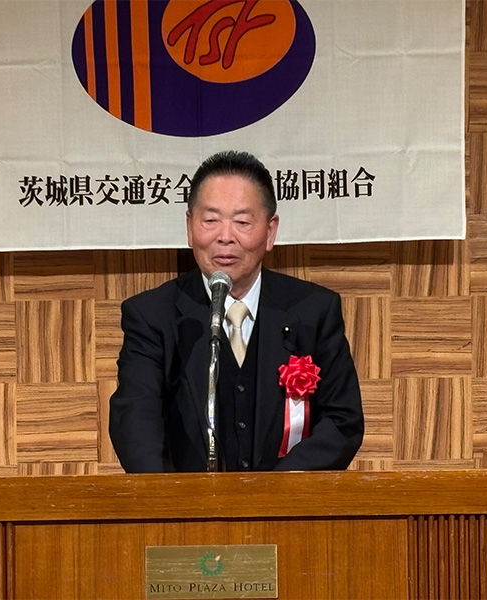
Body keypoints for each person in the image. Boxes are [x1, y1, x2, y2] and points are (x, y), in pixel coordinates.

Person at [109, 150, 363, 472]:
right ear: (189, 227)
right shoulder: (151, 316)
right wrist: (173, 497)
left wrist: (275, 492)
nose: (225, 237)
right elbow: (135, 422)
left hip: (287, 500)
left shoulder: (313, 310)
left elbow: (342, 421)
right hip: (187, 501)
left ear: (270, 231)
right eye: (210, 221)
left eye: (242, 222)